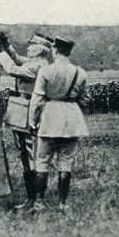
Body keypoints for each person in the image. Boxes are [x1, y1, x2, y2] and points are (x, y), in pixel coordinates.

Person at [28, 37, 90, 214]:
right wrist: (73, 112)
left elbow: (37, 100)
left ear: (55, 50)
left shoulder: (46, 71)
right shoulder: (80, 72)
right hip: (72, 121)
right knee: (65, 163)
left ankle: (39, 203)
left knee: (42, 163)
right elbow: (85, 99)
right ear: (69, 51)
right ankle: (63, 204)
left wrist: (33, 122)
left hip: (49, 120)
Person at [0, 32, 52, 210]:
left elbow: (13, 69)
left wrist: (0, 52)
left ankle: (34, 198)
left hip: (27, 113)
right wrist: (7, 45)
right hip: (23, 111)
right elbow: (17, 59)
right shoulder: (38, 63)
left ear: (40, 49)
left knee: (29, 155)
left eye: (32, 45)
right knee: (26, 154)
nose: (28, 47)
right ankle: (32, 197)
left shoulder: (37, 66)